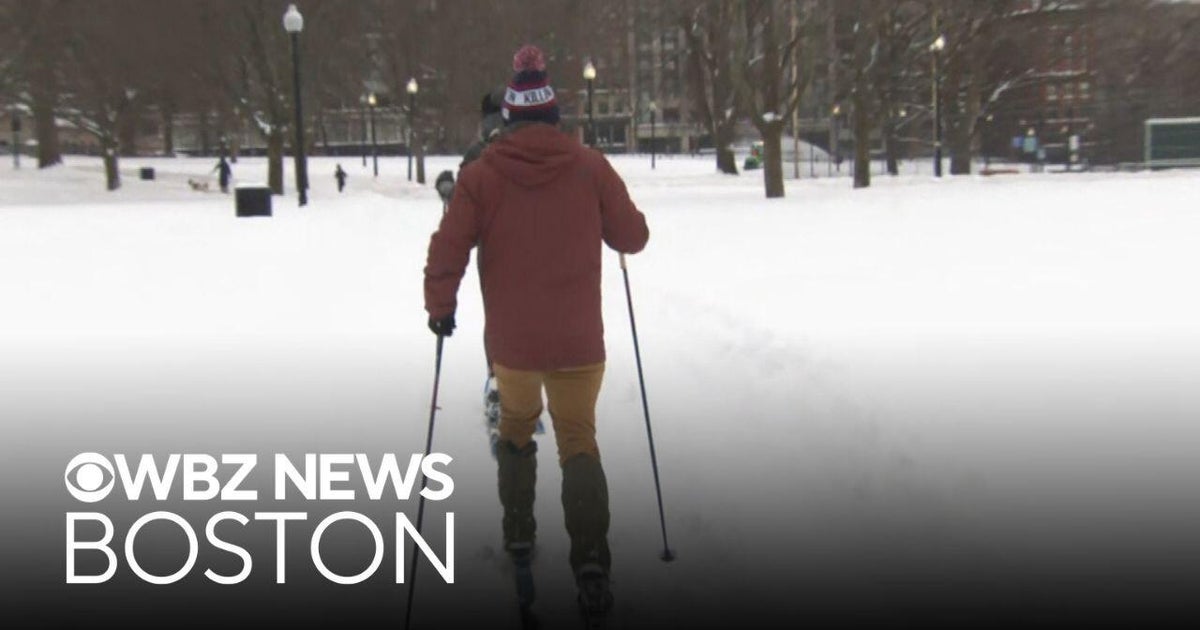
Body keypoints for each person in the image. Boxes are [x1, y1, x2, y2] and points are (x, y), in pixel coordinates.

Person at [423, 44, 649, 617]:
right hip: (578, 343)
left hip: (515, 348)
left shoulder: (480, 175)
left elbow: (447, 248)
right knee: (579, 439)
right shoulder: (589, 165)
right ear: (553, 115)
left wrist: (440, 306)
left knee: (517, 431)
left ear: (510, 117)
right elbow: (633, 236)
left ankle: (519, 536)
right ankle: (592, 559)